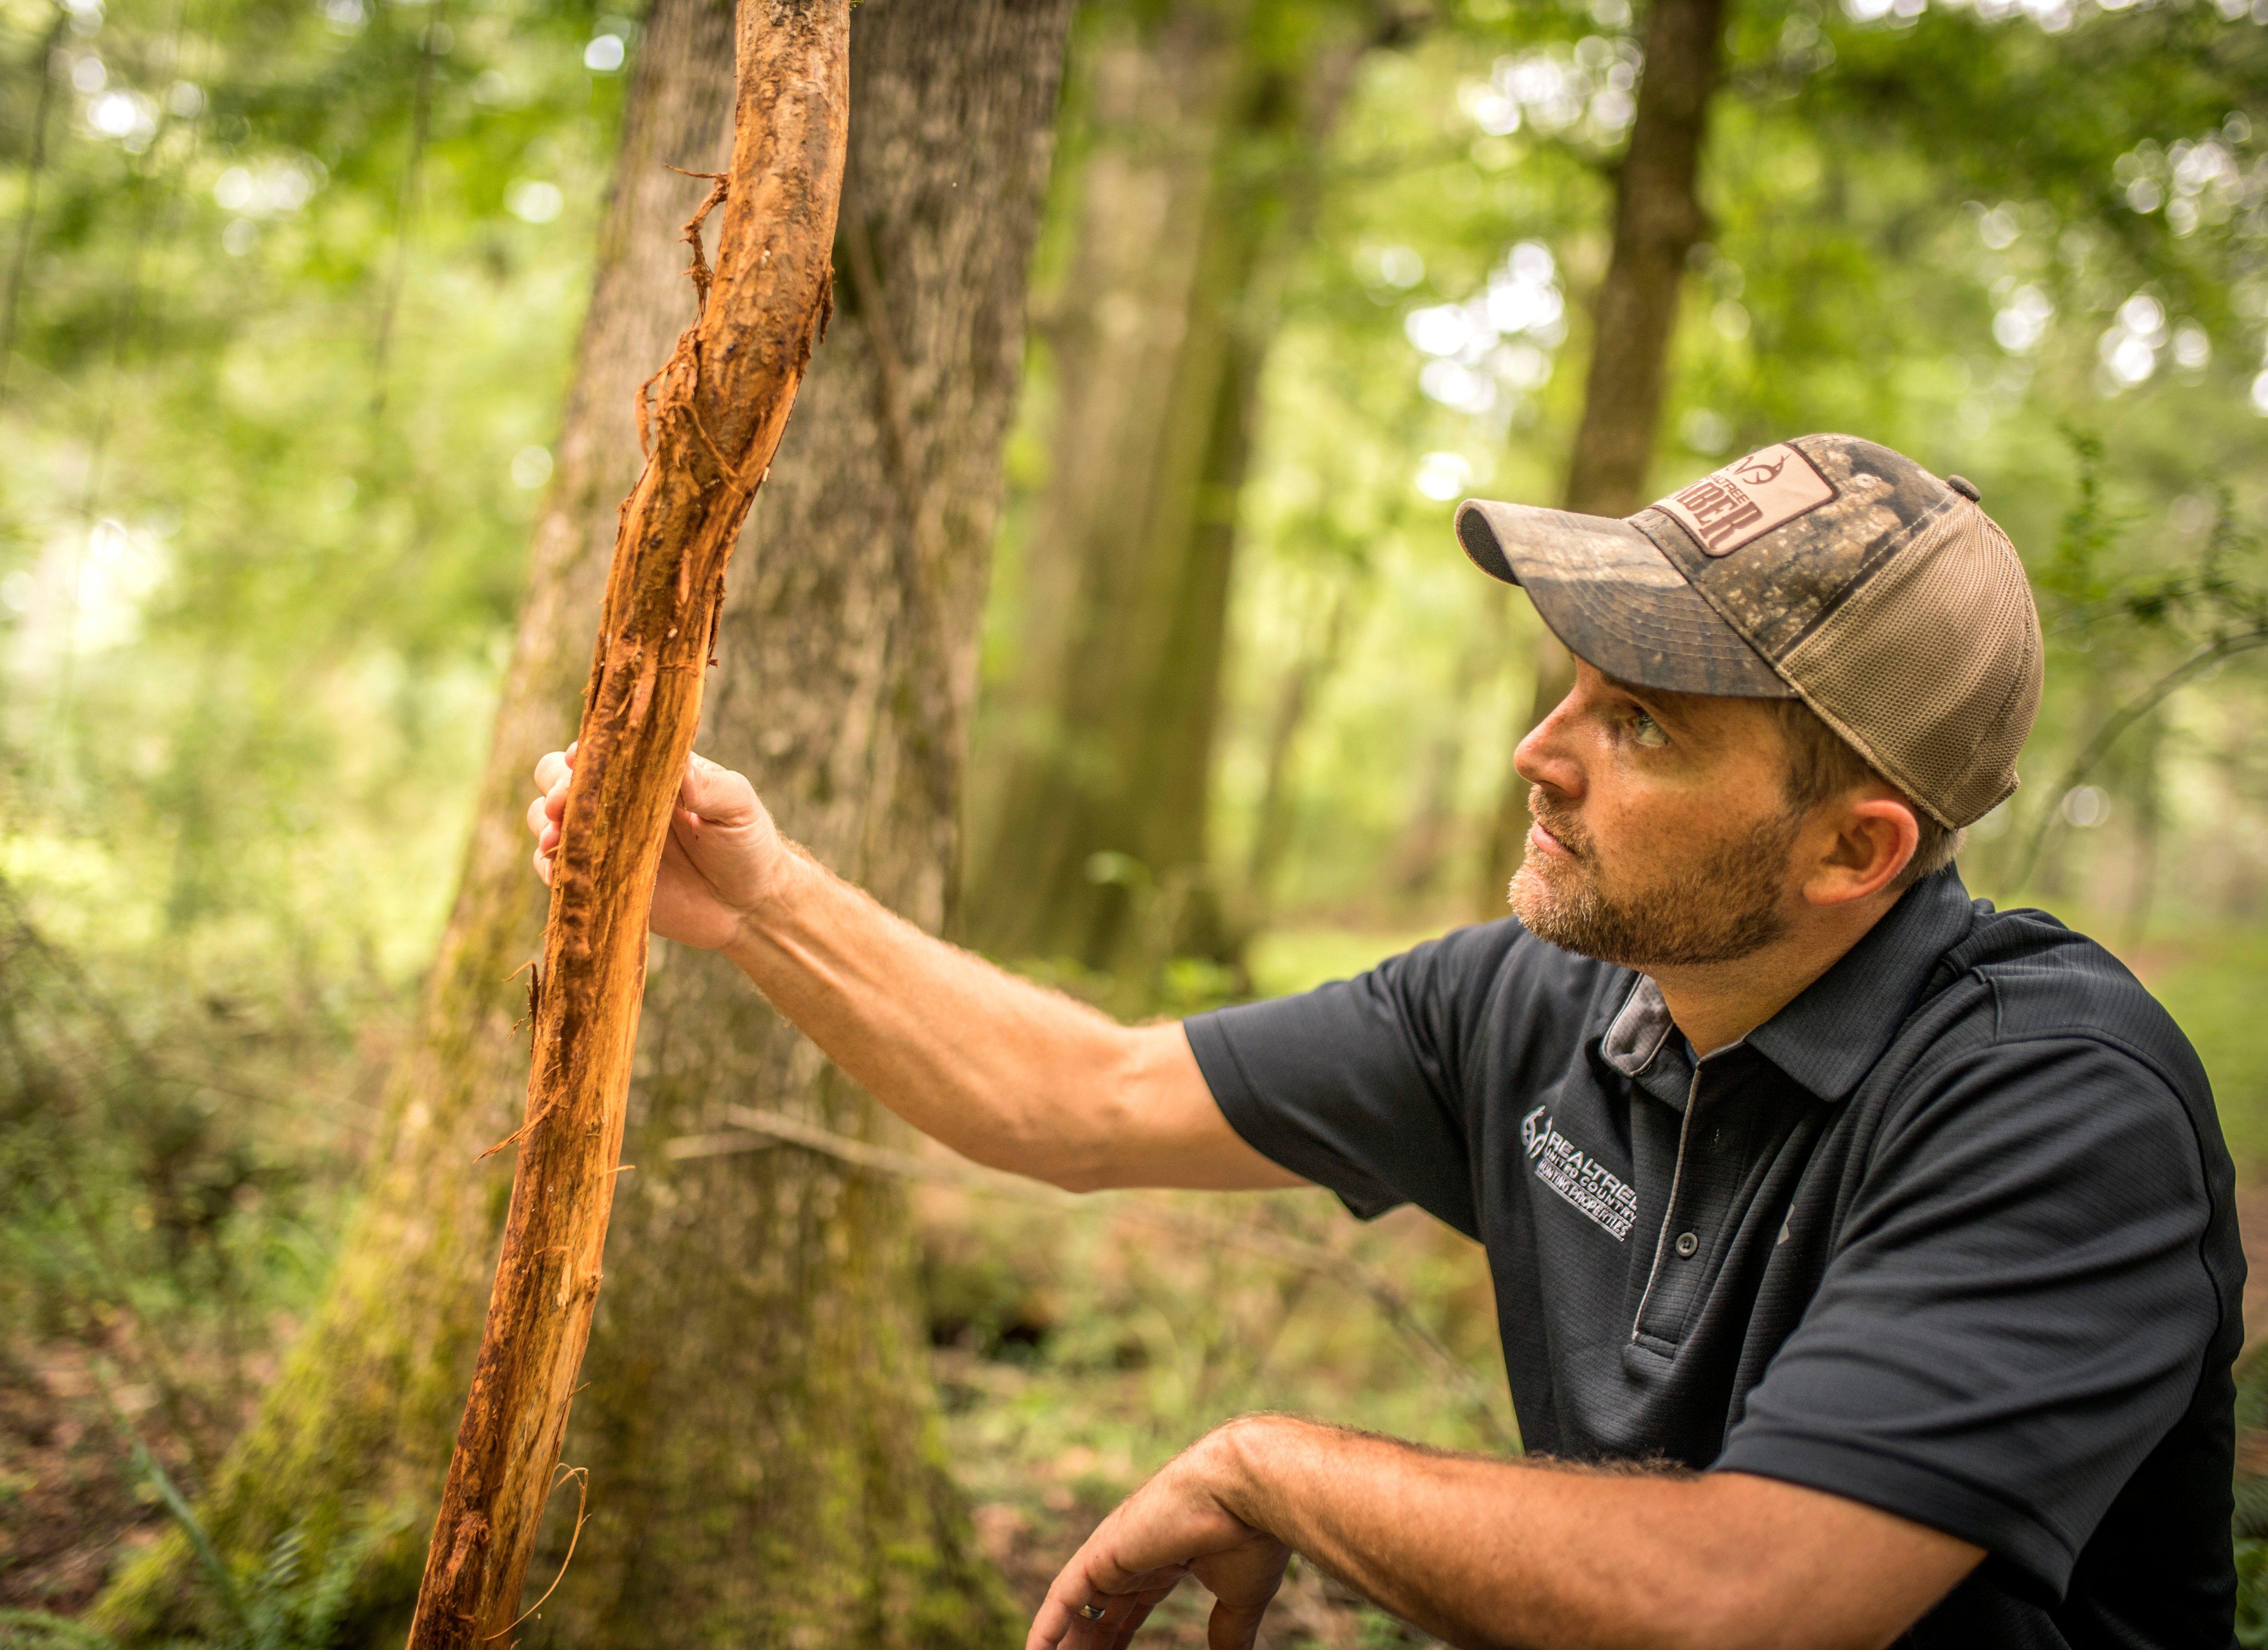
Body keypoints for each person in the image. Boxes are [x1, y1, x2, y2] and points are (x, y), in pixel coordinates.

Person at [526, 434, 2241, 1650]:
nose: (1535, 750)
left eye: (1635, 722)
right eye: (1566, 682)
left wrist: (1275, 1464)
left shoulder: (2048, 1102)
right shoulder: (1534, 996)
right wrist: (759, 904)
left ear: (1851, 849)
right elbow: (1084, 1098)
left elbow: (1745, 1603)